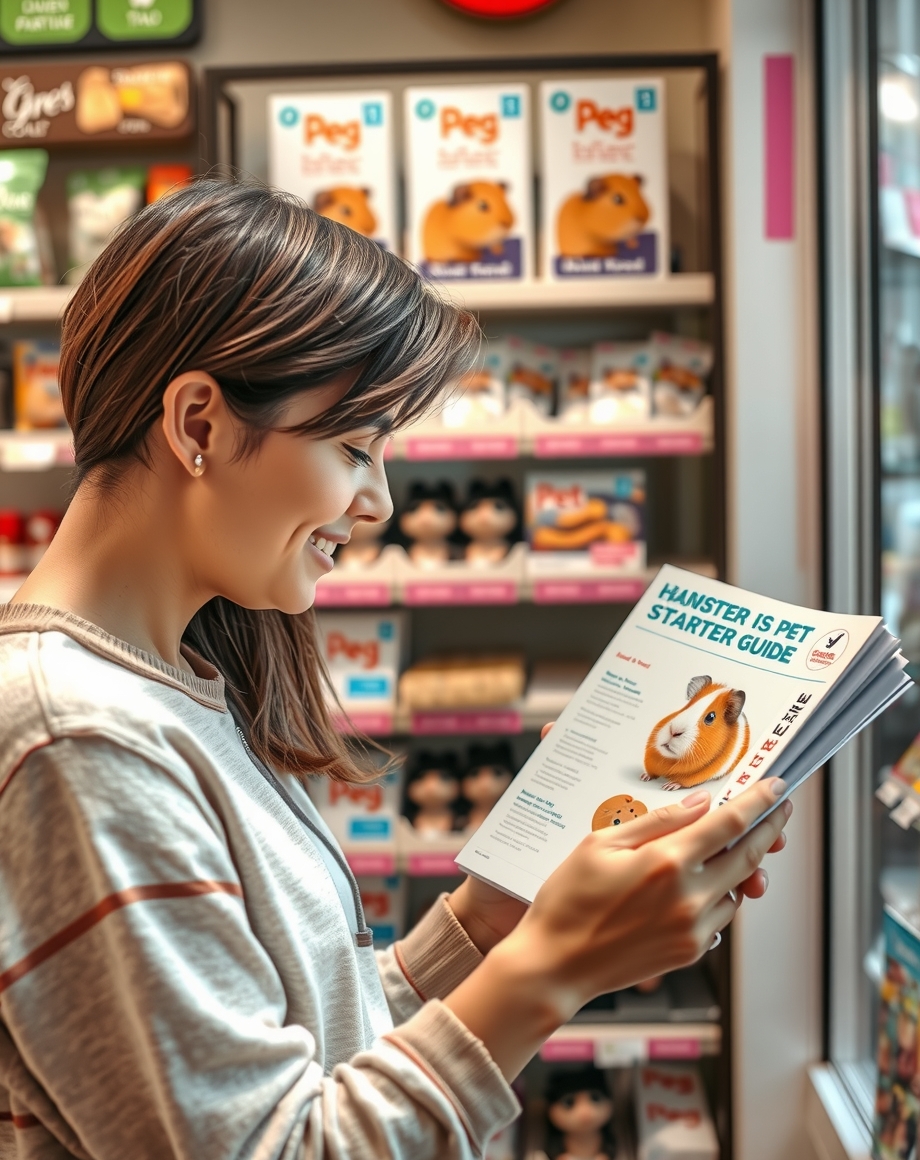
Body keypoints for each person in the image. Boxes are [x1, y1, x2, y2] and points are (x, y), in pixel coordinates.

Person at [0, 180, 789, 1160]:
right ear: (198, 423)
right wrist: (550, 970)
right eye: (353, 446)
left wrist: (494, 920)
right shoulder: (74, 735)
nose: (376, 499)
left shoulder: (182, 677)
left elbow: (307, 1053)